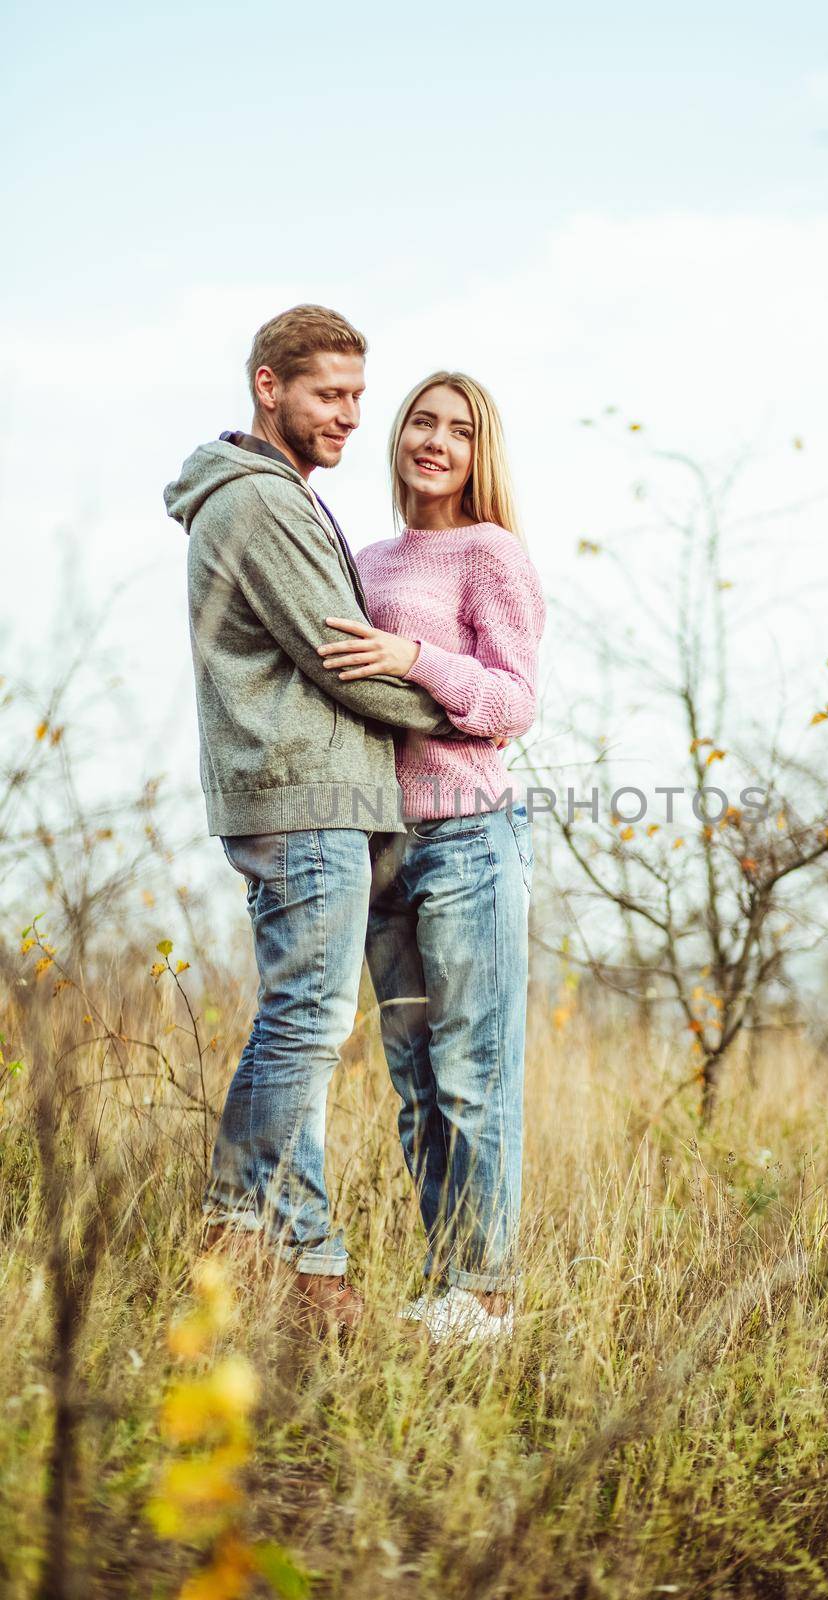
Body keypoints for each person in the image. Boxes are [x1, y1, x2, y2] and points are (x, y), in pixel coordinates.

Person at [164, 306, 463, 1337]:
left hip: (310, 797)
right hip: (304, 800)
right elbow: (344, 655)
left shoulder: (269, 495)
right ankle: (242, 1226)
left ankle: (305, 1270)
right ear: (266, 386)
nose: (348, 417)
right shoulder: (259, 504)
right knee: (304, 1021)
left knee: (308, 1020)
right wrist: (458, 708)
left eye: (354, 397)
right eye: (327, 395)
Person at [317, 371, 545, 1343]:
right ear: (398, 435)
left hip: (467, 840)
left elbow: (511, 703)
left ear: (476, 451)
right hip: (377, 847)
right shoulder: (363, 558)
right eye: (422, 420)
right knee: (414, 1089)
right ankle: (444, 1279)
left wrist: (412, 660)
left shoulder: (488, 552)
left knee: (471, 1073)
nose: (435, 440)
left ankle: (485, 1291)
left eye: (458, 429)